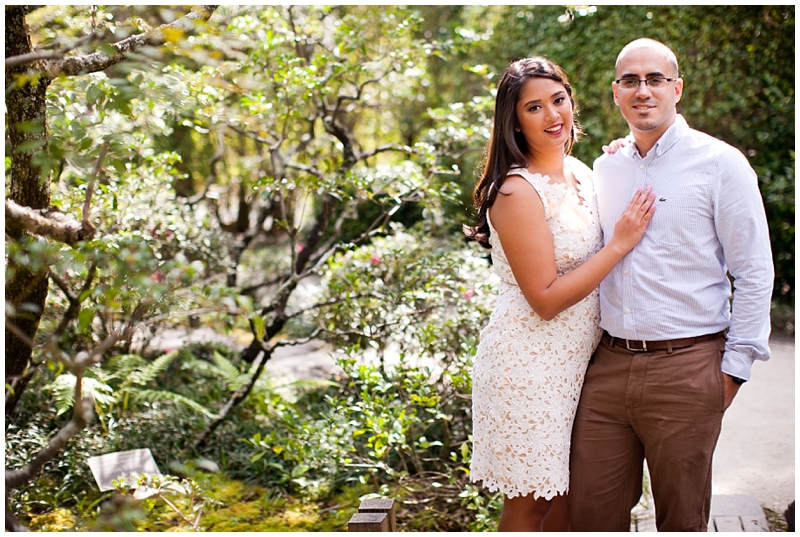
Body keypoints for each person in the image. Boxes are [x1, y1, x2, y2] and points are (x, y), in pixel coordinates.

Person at [569, 38, 774, 532]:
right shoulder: (606, 167)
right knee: (589, 516)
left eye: (655, 79)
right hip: (608, 367)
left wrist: (732, 372)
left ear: (676, 88)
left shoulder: (721, 164)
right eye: (631, 81)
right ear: (615, 92)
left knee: (682, 521)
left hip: (688, 369)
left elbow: (754, 270)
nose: (643, 90)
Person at [464, 57, 656, 532]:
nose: (553, 116)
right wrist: (619, 245)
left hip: (582, 365)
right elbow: (545, 299)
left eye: (559, 100)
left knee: (573, 502)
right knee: (532, 504)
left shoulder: (584, 173)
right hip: (527, 364)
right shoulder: (515, 191)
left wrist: (629, 151)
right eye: (534, 107)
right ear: (513, 120)